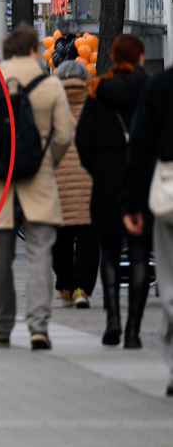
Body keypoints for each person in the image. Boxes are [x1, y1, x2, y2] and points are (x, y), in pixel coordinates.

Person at [0, 24, 73, 351]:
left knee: (1, 261)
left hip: (0, 185)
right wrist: (46, 162)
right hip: (38, 183)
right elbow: (65, 136)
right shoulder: (50, 85)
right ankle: (38, 327)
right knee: (40, 256)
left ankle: (0, 327)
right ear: (33, 50)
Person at [75, 35, 150, 348]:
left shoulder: (96, 93)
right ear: (140, 58)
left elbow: (83, 142)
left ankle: (113, 321)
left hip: (106, 185)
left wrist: (100, 170)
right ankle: (133, 330)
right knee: (139, 255)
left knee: (108, 250)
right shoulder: (152, 90)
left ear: (114, 57)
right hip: (143, 185)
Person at [121, 57, 173, 396]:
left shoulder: (162, 86)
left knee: (170, 283)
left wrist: (131, 203)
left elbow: (140, 147)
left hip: (169, 191)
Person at [53, 61, 96, 309]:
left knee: (61, 237)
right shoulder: (96, 102)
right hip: (90, 181)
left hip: (58, 183)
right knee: (89, 236)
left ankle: (65, 287)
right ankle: (82, 288)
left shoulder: (50, 106)